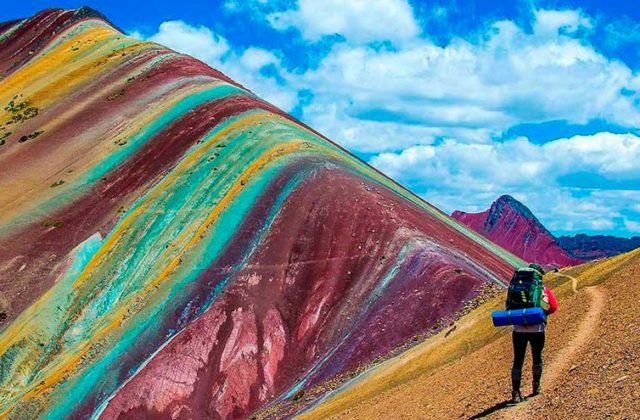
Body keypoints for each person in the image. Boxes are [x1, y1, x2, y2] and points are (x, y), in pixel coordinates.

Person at [510, 263, 558, 404]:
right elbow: (553, 307)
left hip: (518, 329)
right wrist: (541, 314)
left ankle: (516, 393)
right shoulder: (543, 290)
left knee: (518, 360)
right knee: (537, 357)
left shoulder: (517, 287)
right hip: (537, 329)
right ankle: (536, 386)